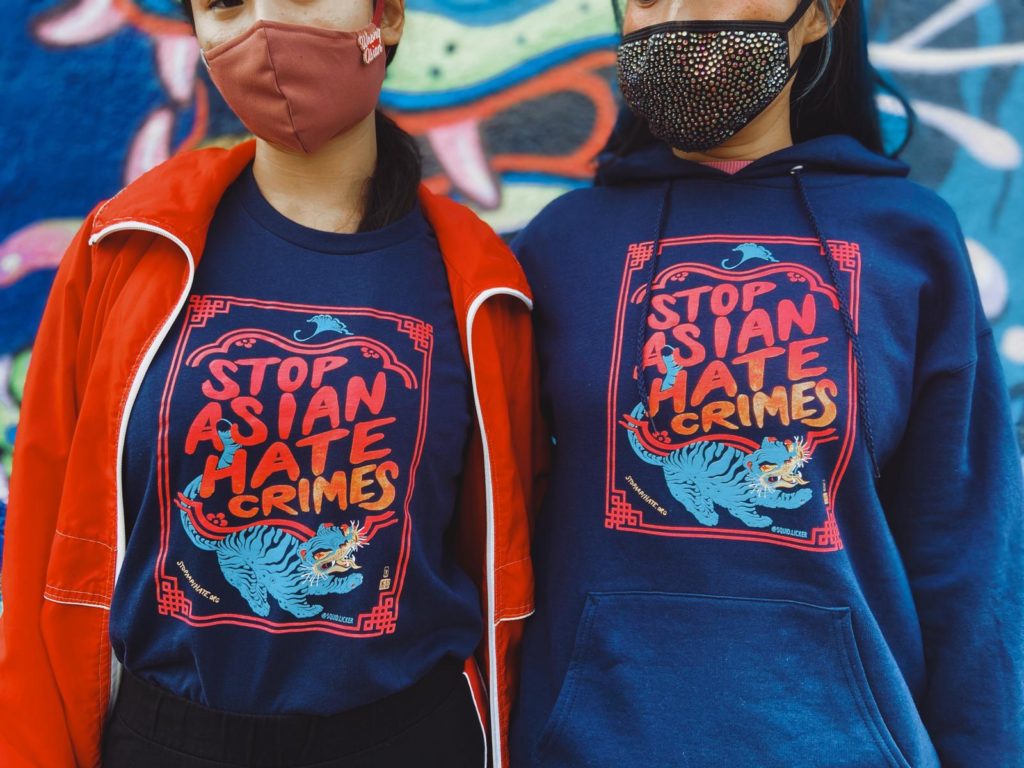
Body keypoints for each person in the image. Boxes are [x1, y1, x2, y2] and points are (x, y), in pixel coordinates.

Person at [0, 1, 542, 766]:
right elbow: (41, 534)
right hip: (169, 739)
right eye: (223, 4)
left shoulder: (483, 286)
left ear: (385, 17)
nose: (260, 26)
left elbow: (509, 554)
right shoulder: (123, 249)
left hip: (409, 737)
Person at [510, 0, 1024, 766]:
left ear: (820, 16)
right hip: (590, 742)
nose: (678, 13)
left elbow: (968, 552)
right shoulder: (560, 244)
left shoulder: (910, 237)